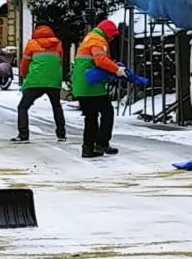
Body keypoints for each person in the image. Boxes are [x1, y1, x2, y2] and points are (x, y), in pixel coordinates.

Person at [72, 20, 125, 158]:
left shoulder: (90, 38)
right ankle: (101, 143)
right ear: (107, 32)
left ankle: (88, 148)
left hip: (82, 84)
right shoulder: (97, 40)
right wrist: (117, 69)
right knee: (107, 112)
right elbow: (100, 60)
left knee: (91, 116)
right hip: (91, 85)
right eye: (112, 35)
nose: (112, 38)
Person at [12, 25, 67, 143]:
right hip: (53, 81)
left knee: (23, 107)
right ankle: (61, 134)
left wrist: (24, 76)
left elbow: (24, 63)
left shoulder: (32, 44)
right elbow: (60, 61)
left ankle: (23, 135)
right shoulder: (58, 44)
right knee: (56, 106)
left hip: (35, 81)